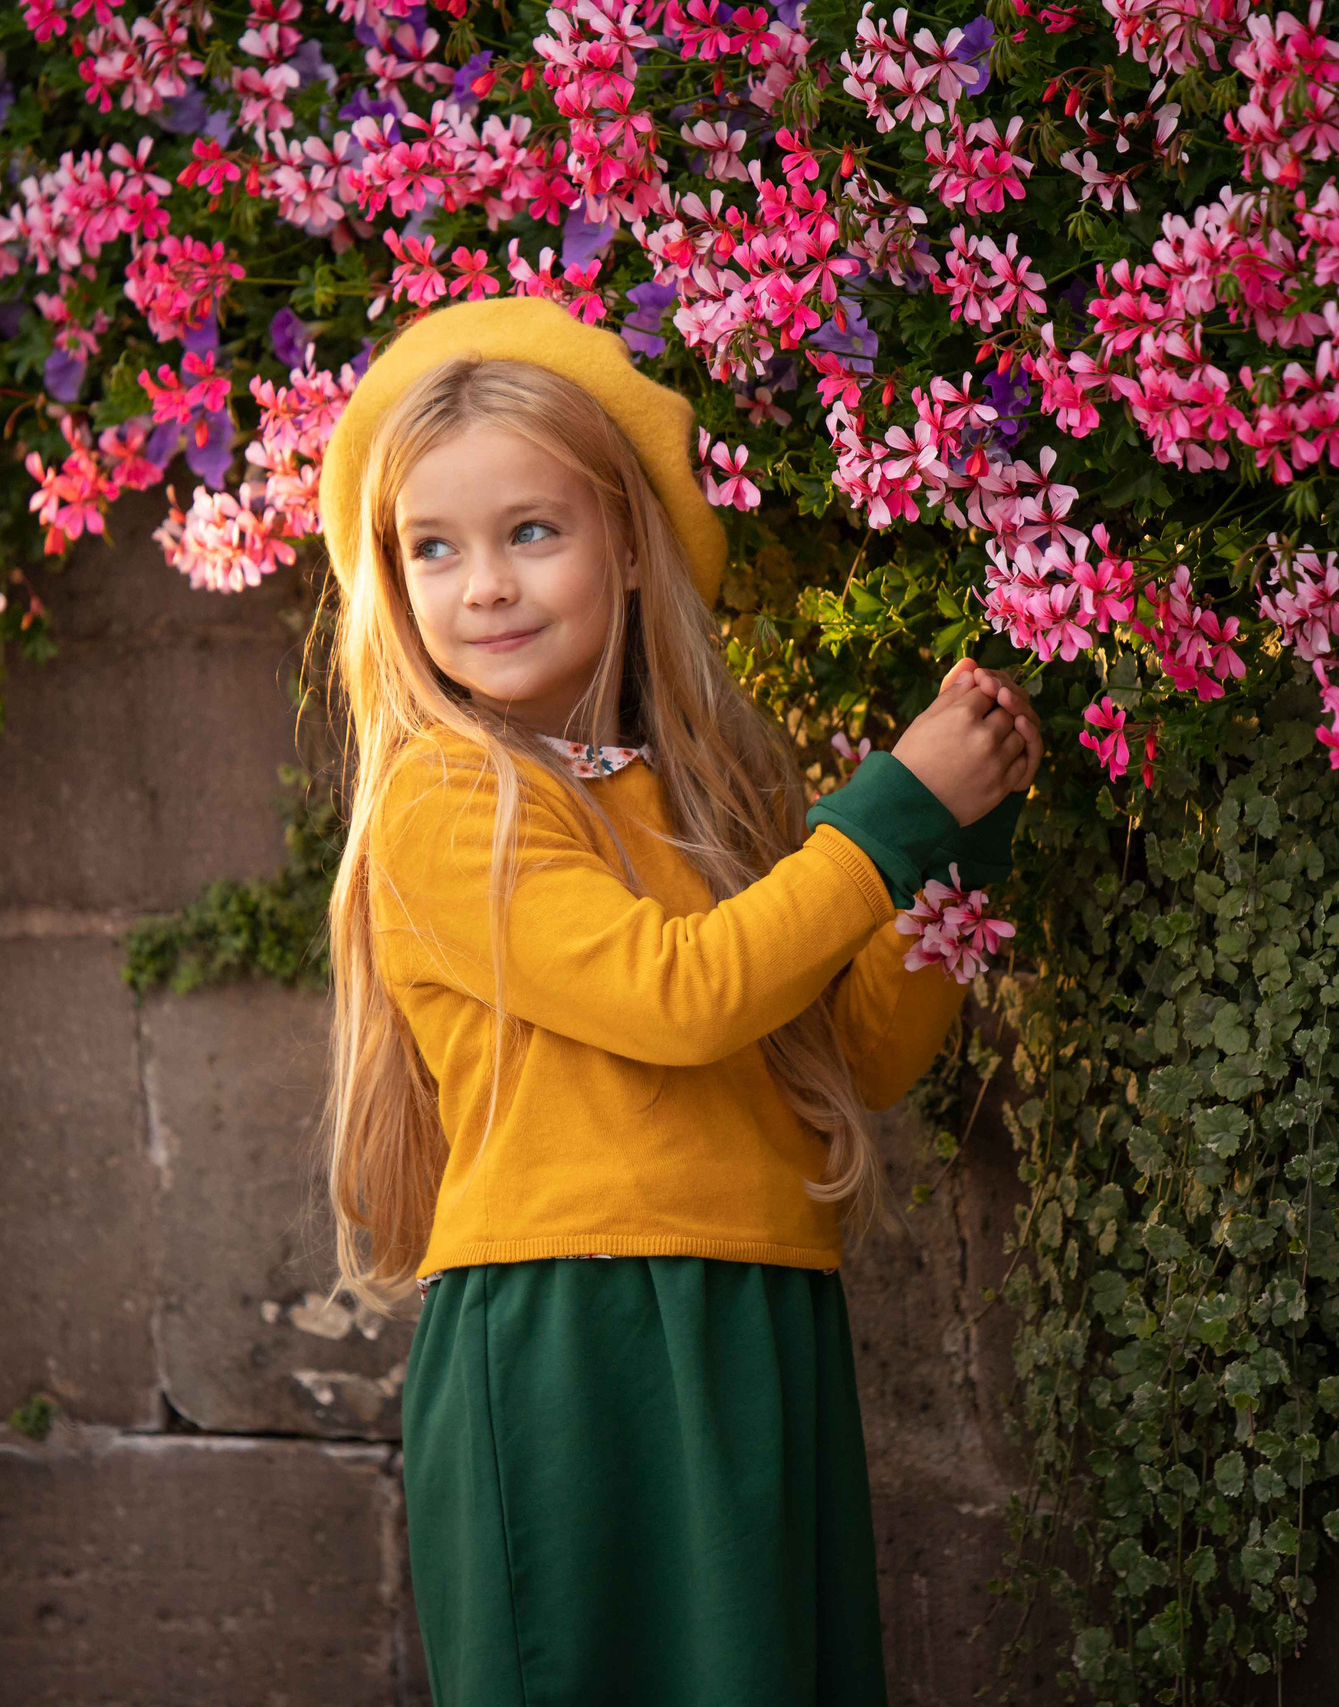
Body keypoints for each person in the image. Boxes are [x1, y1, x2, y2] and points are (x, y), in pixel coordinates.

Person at [309, 295, 1043, 1707]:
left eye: (534, 530)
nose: (484, 586)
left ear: (634, 546)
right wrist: (890, 816)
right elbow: (682, 998)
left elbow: (860, 1055)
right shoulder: (448, 799)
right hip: (570, 1336)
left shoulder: (711, 793)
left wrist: (953, 852)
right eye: (432, 548)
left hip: (757, 1314)